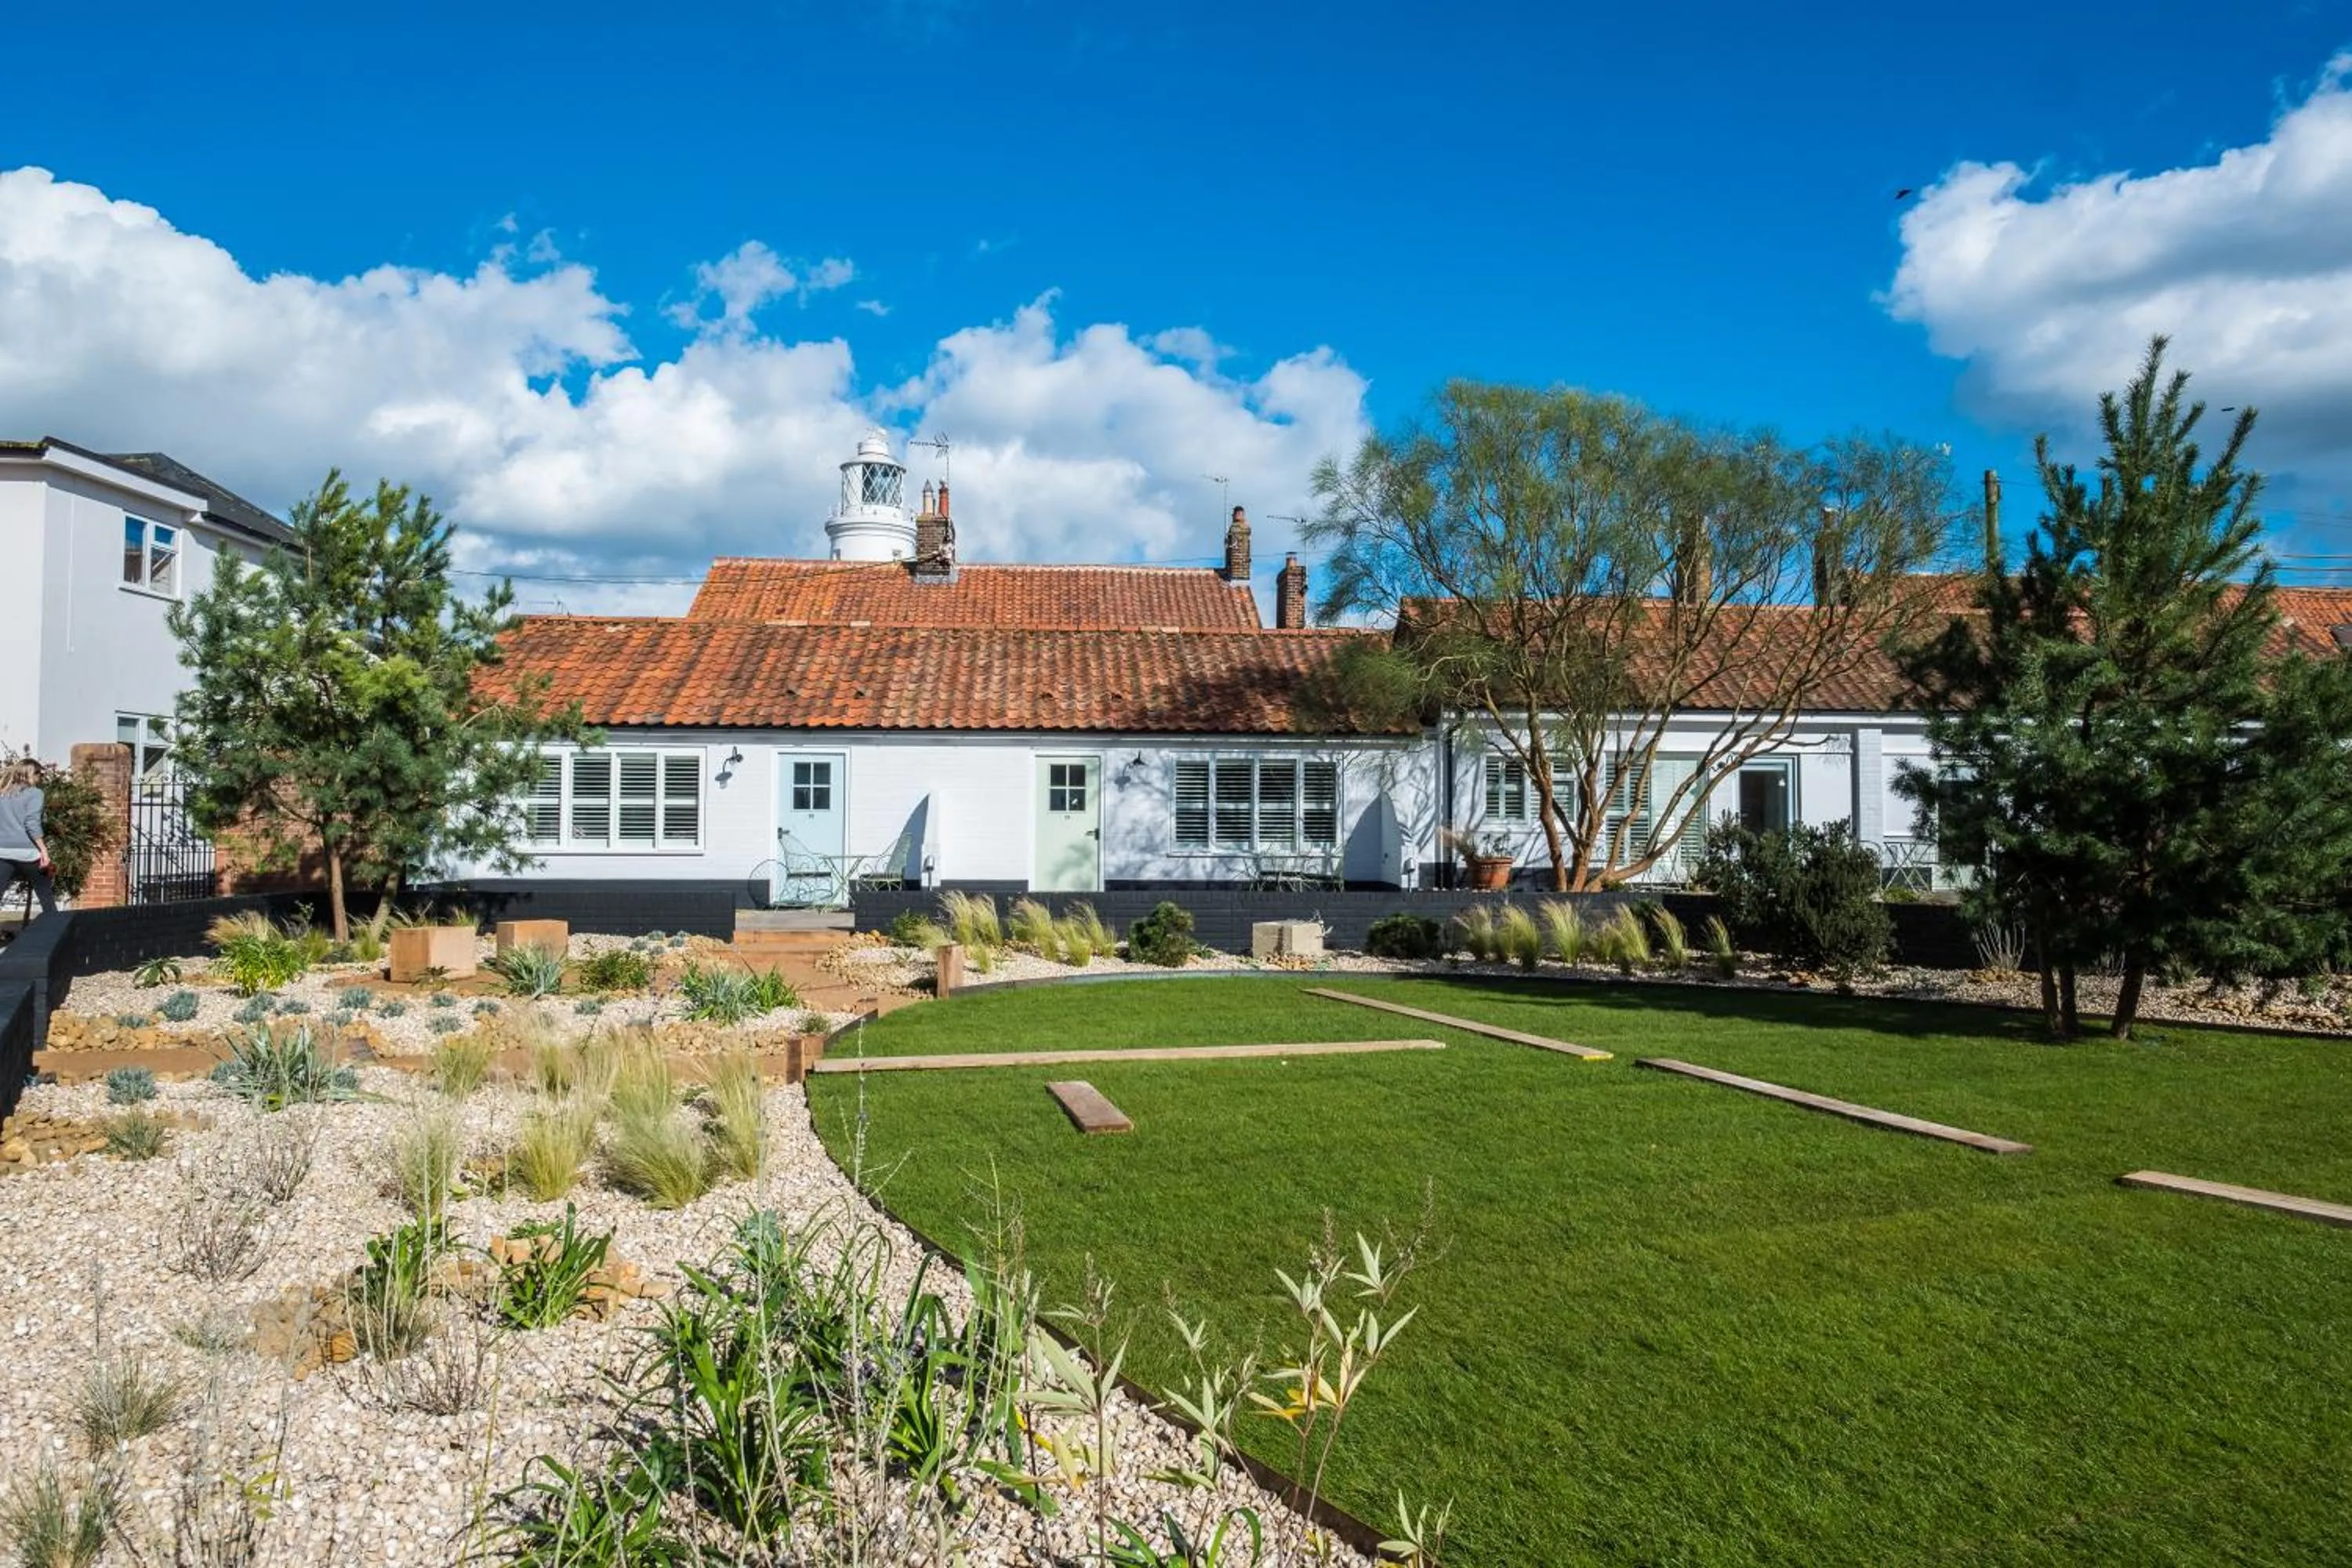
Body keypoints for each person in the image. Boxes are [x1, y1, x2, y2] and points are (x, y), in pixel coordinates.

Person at [0, 757, 59, 920]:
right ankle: (55, 936)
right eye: (39, 775)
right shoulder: (35, 793)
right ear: (32, 774)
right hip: (28, 854)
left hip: (3, 853)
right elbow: (31, 823)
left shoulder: (3, 793)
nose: (40, 779)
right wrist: (44, 850)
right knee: (46, 898)